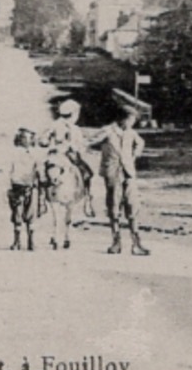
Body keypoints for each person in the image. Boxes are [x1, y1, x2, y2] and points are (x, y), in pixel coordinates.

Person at [91, 107, 149, 256]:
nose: (133, 123)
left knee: (132, 205)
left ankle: (136, 243)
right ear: (122, 119)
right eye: (131, 120)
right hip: (113, 173)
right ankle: (116, 242)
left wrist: (135, 155)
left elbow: (140, 142)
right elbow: (91, 141)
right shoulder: (108, 131)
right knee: (114, 206)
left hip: (128, 172)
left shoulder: (131, 132)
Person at [41, 98, 95, 218]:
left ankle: (42, 200)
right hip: (66, 156)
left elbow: (43, 140)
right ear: (74, 114)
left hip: (54, 156)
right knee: (87, 173)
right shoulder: (74, 129)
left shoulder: (54, 125)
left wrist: (48, 143)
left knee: (43, 172)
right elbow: (80, 147)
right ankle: (87, 199)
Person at [6, 128, 40, 251]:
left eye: (29, 138)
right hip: (17, 186)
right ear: (19, 139)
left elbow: (39, 168)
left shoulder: (35, 153)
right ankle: (17, 241)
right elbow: (8, 169)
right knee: (17, 214)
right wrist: (9, 185)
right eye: (24, 138)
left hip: (31, 186)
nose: (27, 140)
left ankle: (31, 241)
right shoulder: (14, 153)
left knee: (31, 214)